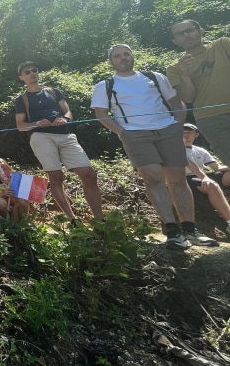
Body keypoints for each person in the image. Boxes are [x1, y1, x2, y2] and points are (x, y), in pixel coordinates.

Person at [91, 43, 218, 250]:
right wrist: (122, 132)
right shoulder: (105, 85)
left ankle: (190, 229)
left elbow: (176, 102)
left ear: (132, 56)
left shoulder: (155, 77)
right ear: (111, 61)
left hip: (168, 129)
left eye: (126, 54)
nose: (123, 58)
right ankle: (172, 232)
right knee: (153, 178)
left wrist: (177, 126)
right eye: (117, 56)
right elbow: (101, 114)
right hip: (135, 134)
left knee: (178, 179)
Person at [15, 61, 104, 221]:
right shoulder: (22, 99)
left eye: (34, 70)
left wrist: (64, 119)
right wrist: (36, 123)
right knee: (55, 177)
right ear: (22, 77)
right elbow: (20, 126)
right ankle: (72, 219)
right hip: (41, 137)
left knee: (88, 174)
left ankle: (99, 219)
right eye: (27, 72)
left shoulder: (54, 91)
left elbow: (68, 112)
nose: (32, 73)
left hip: (65, 135)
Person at [166, 19, 230, 166]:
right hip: (211, 119)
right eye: (180, 34)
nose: (186, 35)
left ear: (200, 31)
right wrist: (184, 74)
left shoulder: (222, 44)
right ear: (175, 41)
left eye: (190, 30)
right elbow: (188, 98)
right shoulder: (175, 68)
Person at [181, 123, 230, 235]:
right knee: (212, 185)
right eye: (183, 132)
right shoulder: (176, 148)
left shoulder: (200, 151)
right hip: (186, 178)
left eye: (189, 132)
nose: (186, 135)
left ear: (196, 134)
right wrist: (205, 178)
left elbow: (216, 167)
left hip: (202, 176)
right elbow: (189, 164)